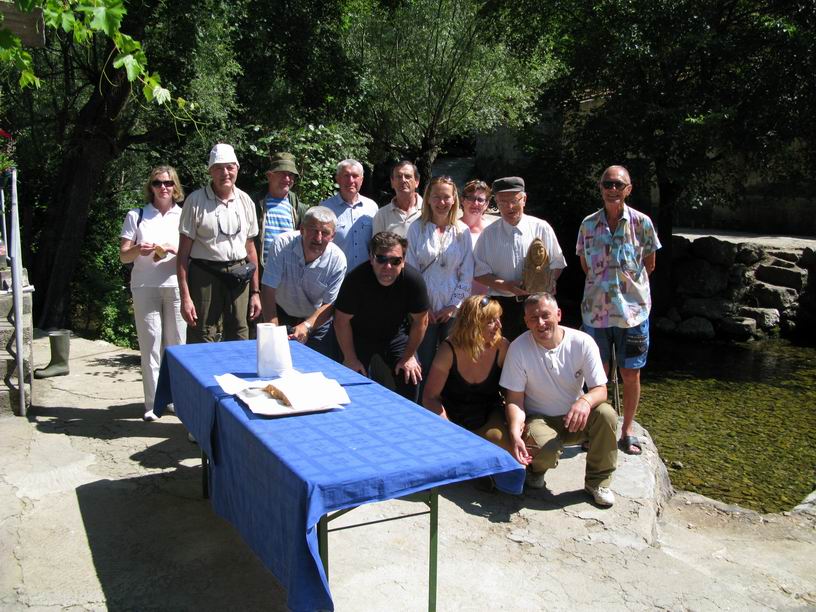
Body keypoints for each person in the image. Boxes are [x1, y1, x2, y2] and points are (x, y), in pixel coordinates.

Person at [501, 293, 618, 507]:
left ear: (559, 314)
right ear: (526, 322)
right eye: (534, 318)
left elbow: (600, 390)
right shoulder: (518, 348)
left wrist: (585, 401)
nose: (540, 323)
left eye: (545, 315)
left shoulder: (582, 342)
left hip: (575, 418)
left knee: (606, 414)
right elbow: (515, 400)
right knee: (544, 447)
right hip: (539, 419)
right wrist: (514, 432)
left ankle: (598, 482)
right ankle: (536, 470)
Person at [576, 165, 661, 456]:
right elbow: (585, 265)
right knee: (597, 374)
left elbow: (649, 264)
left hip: (632, 313)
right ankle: (597, 429)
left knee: (630, 373)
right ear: (600, 188)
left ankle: (627, 430)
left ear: (629, 189)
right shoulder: (588, 224)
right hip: (596, 312)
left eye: (618, 184)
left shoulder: (642, 223)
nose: (612, 189)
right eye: (607, 184)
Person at [119, 165, 186, 421]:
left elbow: (195, 253)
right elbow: (124, 256)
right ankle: (153, 404)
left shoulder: (184, 215)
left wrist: (175, 250)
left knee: (177, 346)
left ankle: (178, 400)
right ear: (151, 187)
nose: (163, 187)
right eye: (158, 183)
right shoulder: (136, 215)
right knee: (150, 345)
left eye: (168, 183)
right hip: (145, 287)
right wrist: (139, 249)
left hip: (177, 286)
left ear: (175, 186)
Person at [177, 143, 262, 343]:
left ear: (237, 169)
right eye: (218, 168)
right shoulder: (195, 201)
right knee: (202, 333)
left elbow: (250, 249)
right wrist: (185, 297)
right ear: (210, 171)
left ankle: (236, 366)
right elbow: (183, 254)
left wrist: (255, 292)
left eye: (230, 167)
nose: (225, 173)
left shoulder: (246, 201)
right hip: (204, 276)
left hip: (239, 275)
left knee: (240, 332)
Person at [334, 231, 429, 402]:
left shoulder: (413, 281)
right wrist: (350, 358)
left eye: (395, 261)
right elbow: (341, 321)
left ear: (403, 261)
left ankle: (406, 415)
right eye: (381, 259)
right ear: (371, 258)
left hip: (395, 334)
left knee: (410, 375)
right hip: (359, 335)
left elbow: (421, 321)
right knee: (350, 377)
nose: (388, 267)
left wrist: (409, 357)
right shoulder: (356, 280)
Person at [474, 176, 566, 340]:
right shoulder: (488, 234)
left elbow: (557, 263)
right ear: (496, 202)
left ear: (524, 199)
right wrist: (507, 286)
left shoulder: (541, 227)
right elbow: (479, 273)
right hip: (503, 306)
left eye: (514, 201)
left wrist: (547, 282)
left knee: (540, 348)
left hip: (538, 304)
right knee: (505, 349)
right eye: (502, 202)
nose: (509, 207)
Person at [422, 295, 512, 454]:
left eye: (498, 319)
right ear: (473, 324)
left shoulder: (502, 346)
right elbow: (430, 397)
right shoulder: (448, 349)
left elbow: (513, 393)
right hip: (452, 416)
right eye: (491, 321)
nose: (499, 325)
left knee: (501, 445)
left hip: (488, 415)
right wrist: (447, 428)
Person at [406, 176, 473, 386]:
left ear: (454, 199)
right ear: (428, 198)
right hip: (423, 309)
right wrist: (423, 307)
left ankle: (445, 402)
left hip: (452, 310)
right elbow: (410, 271)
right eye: (436, 197)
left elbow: (467, 273)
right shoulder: (416, 228)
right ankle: (420, 402)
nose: (441, 202)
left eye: (446, 197)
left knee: (450, 362)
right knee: (423, 362)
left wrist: (453, 306)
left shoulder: (462, 231)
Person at [260, 206, 346, 356]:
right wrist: (273, 332)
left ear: (333, 236)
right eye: (313, 230)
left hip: (316, 319)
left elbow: (329, 304)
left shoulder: (338, 260)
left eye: (325, 233)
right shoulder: (281, 244)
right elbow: (268, 289)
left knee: (316, 364)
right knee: (273, 358)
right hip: (281, 313)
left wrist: (307, 326)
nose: (318, 238)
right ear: (302, 230)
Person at [320, 159, 378, 273]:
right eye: (346, 175)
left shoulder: (372, 207)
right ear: (338, 179)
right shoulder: (325, 208)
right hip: (335, 275)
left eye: (355, 176)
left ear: (361, 180)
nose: (351, 180)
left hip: (366, 275)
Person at [256, 151, 308, 269]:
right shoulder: (254, 204)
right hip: (262, 272)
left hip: (290, 272)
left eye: (291, 175)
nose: (287, 178)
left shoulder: (300, 209)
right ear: (269, 175)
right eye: (282, 174)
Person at [460, 179, 498, 295]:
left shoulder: (493, 230)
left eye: (480, 200)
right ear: (462, 200)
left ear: (486, 204)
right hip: (457, 293)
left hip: (488, 294)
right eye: (470, 198)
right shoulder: (452, 229)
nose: (475, 203)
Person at [372, 160, 423, 237]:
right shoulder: (382, 215)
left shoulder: (428, 211)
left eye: (408, 176)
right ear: (392, 182)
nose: (403, 180)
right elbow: (377, 244)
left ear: (417, 182)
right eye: (399, 176)